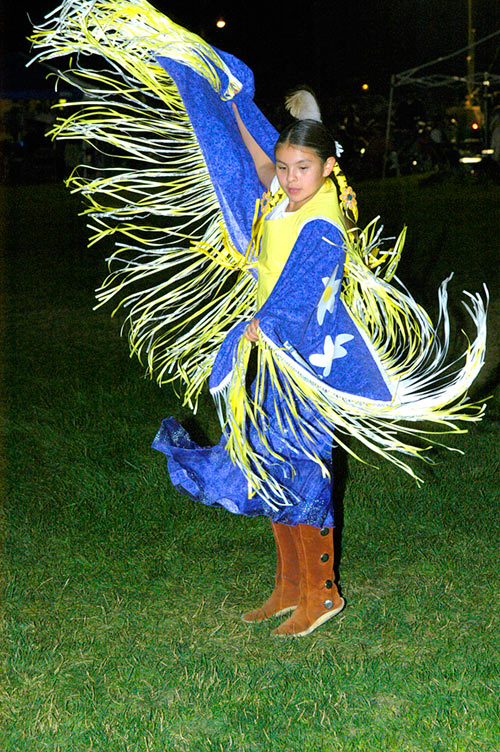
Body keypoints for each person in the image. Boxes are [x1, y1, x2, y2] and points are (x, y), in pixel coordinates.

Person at [30, 0, 488, 639]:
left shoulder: (325, 217)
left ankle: (322, 593)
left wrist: (259, 327)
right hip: (268, 350)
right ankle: (288, 585)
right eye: (288, 167)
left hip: (300, 351)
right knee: (269, 461)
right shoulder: (283, 192)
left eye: (305, 169)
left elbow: (302, 288)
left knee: (303, 467)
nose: (291, 179)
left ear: (329, 169)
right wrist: (232, 103)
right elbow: (254, 156)